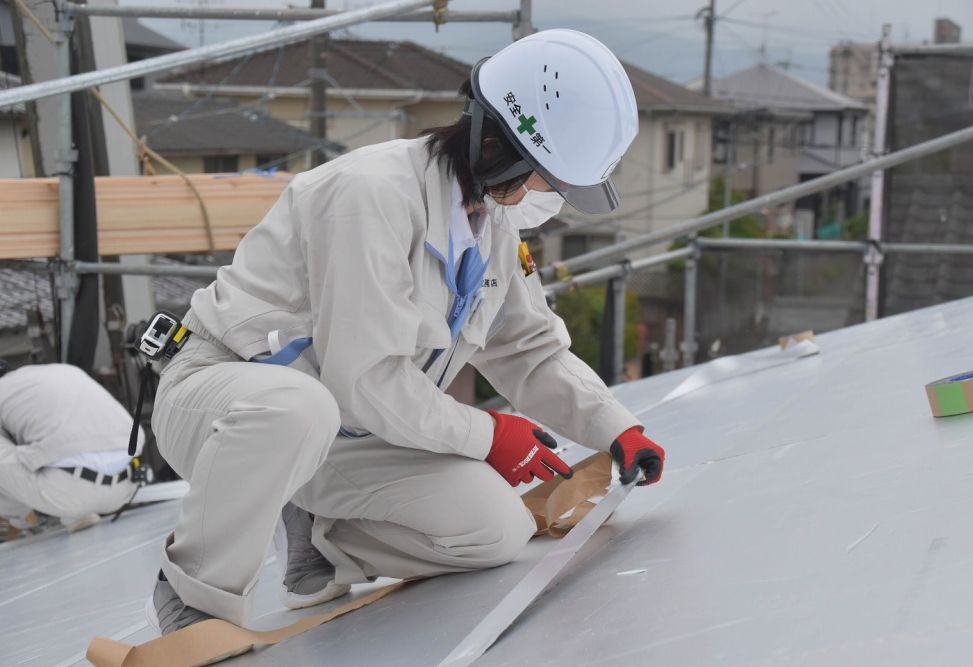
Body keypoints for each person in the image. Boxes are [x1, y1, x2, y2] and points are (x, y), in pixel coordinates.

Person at [147, 29, 667, 636]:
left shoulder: (492, 228)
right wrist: (489, 433)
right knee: (298, 406)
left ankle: (324, 535)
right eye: (550, 179)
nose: (552, 198)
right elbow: (364, 376)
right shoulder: (371, 196)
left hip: (343, 427)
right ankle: (193, 598)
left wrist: (616, 429)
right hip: (224, 399)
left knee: (496, 527)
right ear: (502, 148)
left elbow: (529, 351)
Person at [0, 360, 141, 534]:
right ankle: (79, 515)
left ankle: (28, 520)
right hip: (127, 486)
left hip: (69, 494)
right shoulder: (63, 370)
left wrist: (20, 514)